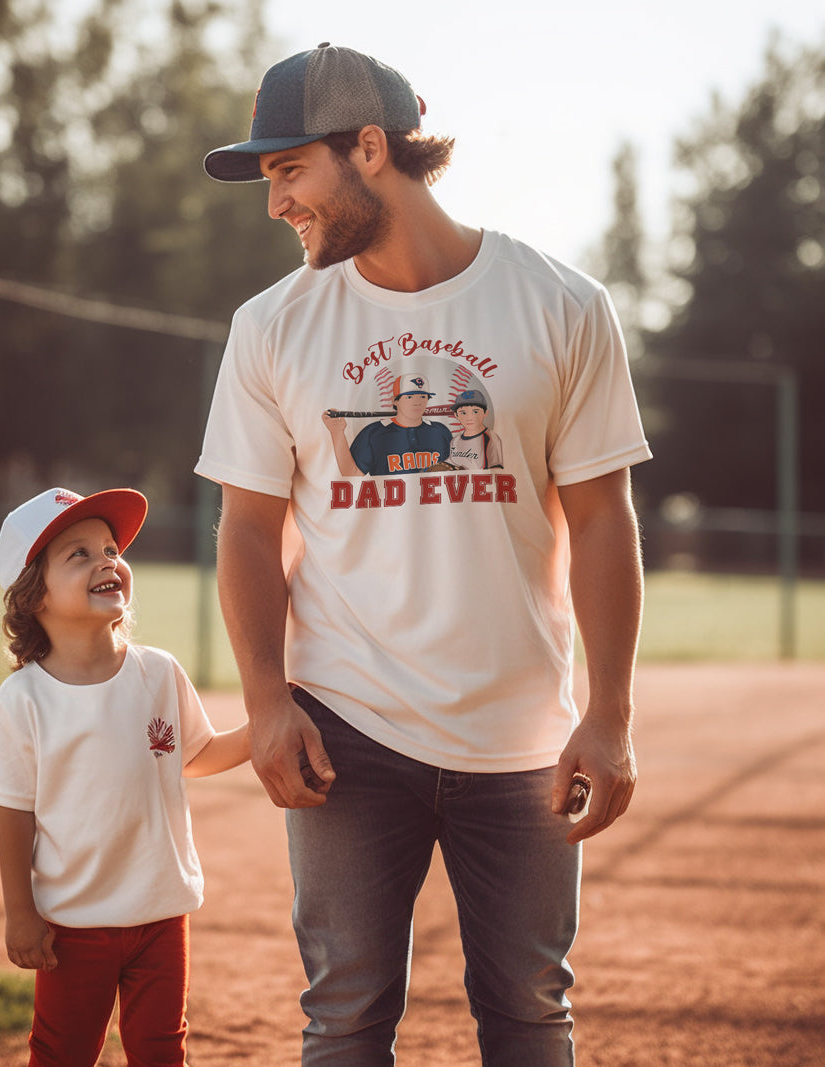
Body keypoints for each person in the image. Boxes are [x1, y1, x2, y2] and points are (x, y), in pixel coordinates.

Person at [195, 41, 651, 1067]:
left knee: (530, 1009)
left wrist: (609, 713)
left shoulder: (561, 303)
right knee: (344, 1015)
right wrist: (267, 697)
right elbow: (247, 527)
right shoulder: (270, 325)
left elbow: (603, 518)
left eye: (287, 171)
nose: (275, 203)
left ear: (367, 148)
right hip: (343, 728)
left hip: (521, 733)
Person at [0, 486, 250, 1067]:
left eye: (109, 548)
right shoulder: (24, 699)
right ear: (33, 596)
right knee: (62, 1051)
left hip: (160, 912)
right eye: (78, 554)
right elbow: (14, 810)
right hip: (74, 922)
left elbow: (194, 756)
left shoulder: (158, 672)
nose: (106, 560)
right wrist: (20, 913)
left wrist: (266, 728)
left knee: (160, 1048)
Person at [323, 373, 453, 476]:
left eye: (422, 396)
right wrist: (337, 432)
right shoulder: (374, 432)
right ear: (395, 401)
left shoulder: (440, 431)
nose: (417, 402)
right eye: (409, 397)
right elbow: (351, 474)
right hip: (391, 507)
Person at [445, 388, 503, 470]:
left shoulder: (491, 438)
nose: (469, 418)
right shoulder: (455, 440)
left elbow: (496, 469)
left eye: (475, 412)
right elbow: (451, 463)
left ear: (485, 413)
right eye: (463, 413)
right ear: (456, 415)